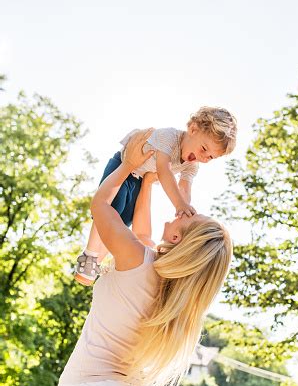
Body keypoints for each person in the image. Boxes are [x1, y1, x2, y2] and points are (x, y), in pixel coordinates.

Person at [20, 130, 233, 386]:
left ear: (181, 241)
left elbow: (101, 206)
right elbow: (143, 232)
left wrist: (128, 167)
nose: (180, 215)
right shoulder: (177, 297)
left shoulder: (137, 260)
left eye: (184, 222)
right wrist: (149, 181)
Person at [74, 106, 237, 285]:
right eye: (204, 149)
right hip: (123, 164)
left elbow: (185, 189)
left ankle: (95, 263)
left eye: (211, 157)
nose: (204, 157)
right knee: (112, 207)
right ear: (193, 130)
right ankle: (89, 254)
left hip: (139, 179)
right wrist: (179, 204)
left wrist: (185, 209)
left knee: (123, 221)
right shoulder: (169, 138)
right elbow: (164, 171)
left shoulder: (191, 165)